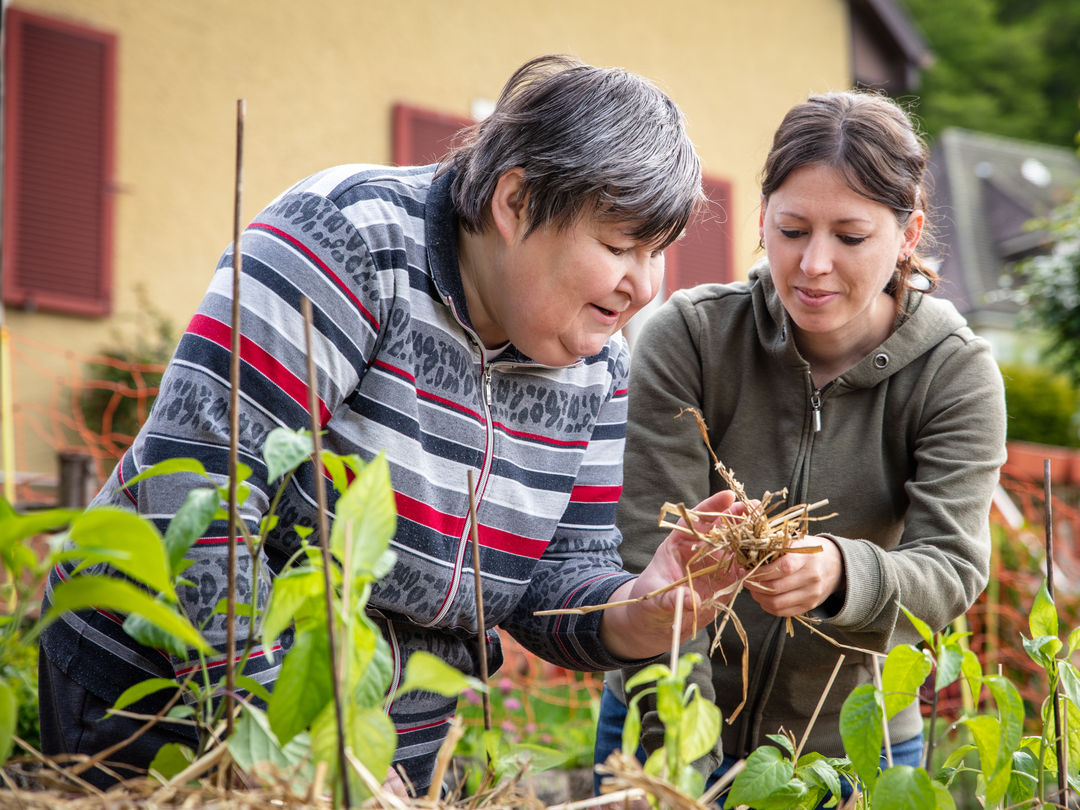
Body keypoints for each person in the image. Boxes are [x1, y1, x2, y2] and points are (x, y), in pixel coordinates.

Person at [38, 54, 742, 794]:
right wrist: (278, 738)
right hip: (172, 705)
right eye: (619, 246)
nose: (644, 285)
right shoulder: (344, 240)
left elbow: (554, 576)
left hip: (382, 755)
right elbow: (196, 486)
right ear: (516, 202)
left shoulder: (597, 363)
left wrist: (634, 609)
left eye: (658, 252)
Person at [595, 90, 1007, 804]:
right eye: (791, 230)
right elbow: (649, 558)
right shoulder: (690, 339)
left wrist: (844, 573)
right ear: (761, 218)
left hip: (846, 748)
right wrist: (679, 760)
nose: (813, 265)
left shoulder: (955, 374)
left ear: (908, 235)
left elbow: (951, 568)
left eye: (850, 238)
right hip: (667, 720)